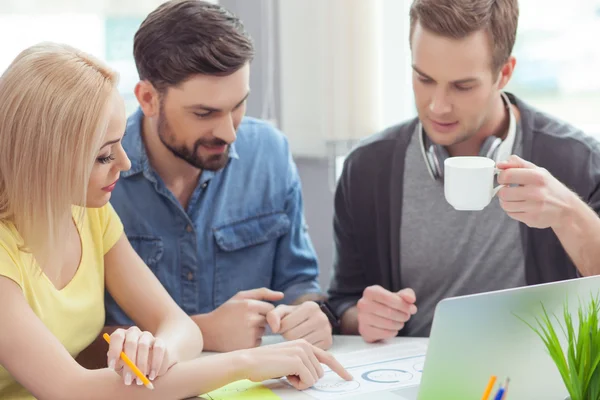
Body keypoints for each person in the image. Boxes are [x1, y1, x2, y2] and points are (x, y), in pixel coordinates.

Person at [0, 42, 351, 400]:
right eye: (104, 155)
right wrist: (245, 362)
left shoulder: (90, 214)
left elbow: (180, 326)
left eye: (120, 144)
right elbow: (71, 389)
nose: (124, 163)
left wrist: (153, 352)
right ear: (44, 160)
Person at [327, 0, 600, 342]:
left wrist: (569, 213)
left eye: (462, 86)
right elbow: (342, 302)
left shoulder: (578, 160)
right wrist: (361, 318)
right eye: (423, 79)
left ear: (504, 73)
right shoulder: (365, 170)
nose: (438, 106)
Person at [103, 0, 335, 353]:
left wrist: (310, 312)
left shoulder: (270, 153)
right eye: (204, 113)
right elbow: (78, 338)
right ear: (148, 99)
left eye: (238, 105)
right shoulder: (98, 178)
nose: (228, 132)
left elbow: (299, 281)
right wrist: (202, 332)